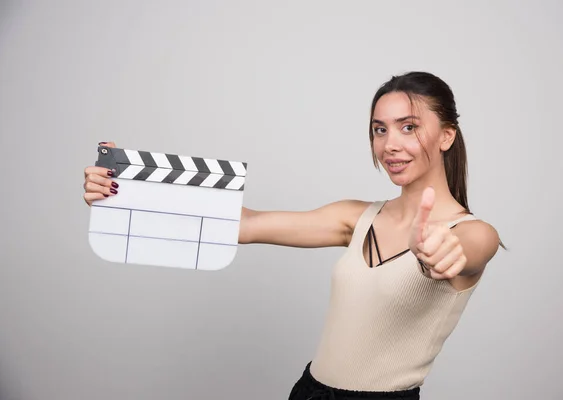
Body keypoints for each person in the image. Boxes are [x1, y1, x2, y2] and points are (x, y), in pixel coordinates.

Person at [82, 71, 501, 400]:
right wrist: (122, 192)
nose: (390, 144)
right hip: (308, 392)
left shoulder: (472, 233)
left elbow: (470, 251)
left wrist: (443, 253)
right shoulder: (355, 218)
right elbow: (243, 224)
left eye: (408, 127)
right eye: (379, 129)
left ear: (447, 135)